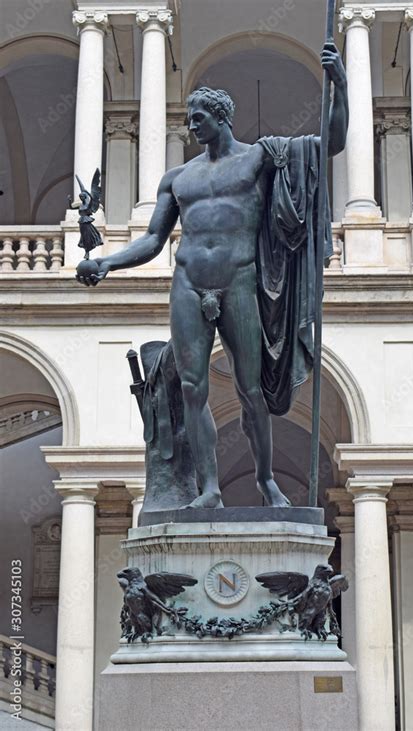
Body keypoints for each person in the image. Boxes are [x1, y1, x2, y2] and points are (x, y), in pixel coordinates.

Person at [77, 42, 348, 509]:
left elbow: (332, 143)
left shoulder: (261, 158)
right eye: (188, 117)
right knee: (191, 388)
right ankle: (209, 490)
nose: (191, 125)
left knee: (250, 389)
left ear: (222, 117)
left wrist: (339, 87)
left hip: (239, 281)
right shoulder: (177, 179)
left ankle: (265, 480)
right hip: (187, 284)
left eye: (198, 116)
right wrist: (107, 261)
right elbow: (153, 241)